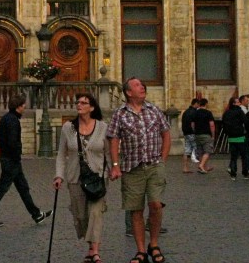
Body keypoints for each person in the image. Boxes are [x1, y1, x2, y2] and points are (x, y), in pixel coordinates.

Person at [107, 77, 171, 263]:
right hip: (131, 168)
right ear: (128, 92)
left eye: (142, 85)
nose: (142, 87)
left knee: (156, 204)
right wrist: (116, 165)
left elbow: (166, 133)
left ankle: (154, 243)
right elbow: (114, 139)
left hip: (154, 165)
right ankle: (141, 251)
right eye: (137, 85)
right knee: (135, 210)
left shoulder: (154, 110)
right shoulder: (120, 114)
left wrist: (163, 159)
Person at [0, 93, 53, 227]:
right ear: (18, 107)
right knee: (2, 188)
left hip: (9, 158)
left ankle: (36, 214)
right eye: (23, 105)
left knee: (23, 188)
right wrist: (17, 154)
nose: (25, 107)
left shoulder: (6, 119)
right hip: (11, 160)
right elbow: (12, 142)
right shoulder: (13, 121)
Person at [54, 92, 110, 263]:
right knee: (81, 216)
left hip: (97, 176)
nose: (79, 105)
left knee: (95, 213)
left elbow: (108, 152)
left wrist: (115, 168)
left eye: (84, 103)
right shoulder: (68, 128)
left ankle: (95, 250)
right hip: (75, 177)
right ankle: (90, 247)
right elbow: (61, 154)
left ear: (92, 107)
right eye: (78, 102)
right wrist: (59, 176)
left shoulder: (102, 127)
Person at [222, 97, 249, 180]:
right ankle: (245, 173)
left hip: (231, 137)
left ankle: (233, 174)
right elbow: (246, 122)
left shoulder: (226, 113)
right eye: (238, 102)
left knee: (233, 157)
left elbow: (224, 125)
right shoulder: (239, 111)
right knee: (243, 156)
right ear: (234, 103)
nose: (239, 104)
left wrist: (228, 133)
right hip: (240, 136)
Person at [191, 98, 216, 174]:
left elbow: (192, 124)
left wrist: (195, 131)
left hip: (197, 134)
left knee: (201, 152)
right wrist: (213, 135)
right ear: (206, 104)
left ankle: (203, 168)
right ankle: (201, 165)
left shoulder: (195, 113)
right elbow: (211, 125)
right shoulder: (208, 113)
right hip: (206, 134)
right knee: (208, 151)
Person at [181, 98, 199, 173]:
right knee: (197, 149)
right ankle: (201, 166)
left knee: (187, 150)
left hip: (186, 133)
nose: (198, 106)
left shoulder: (185, 112)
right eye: (198, 104)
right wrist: (195, 131)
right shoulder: (194, 112)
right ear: (195, 103)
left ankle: (185, 168)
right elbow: (193, 123)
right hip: (192, 133)